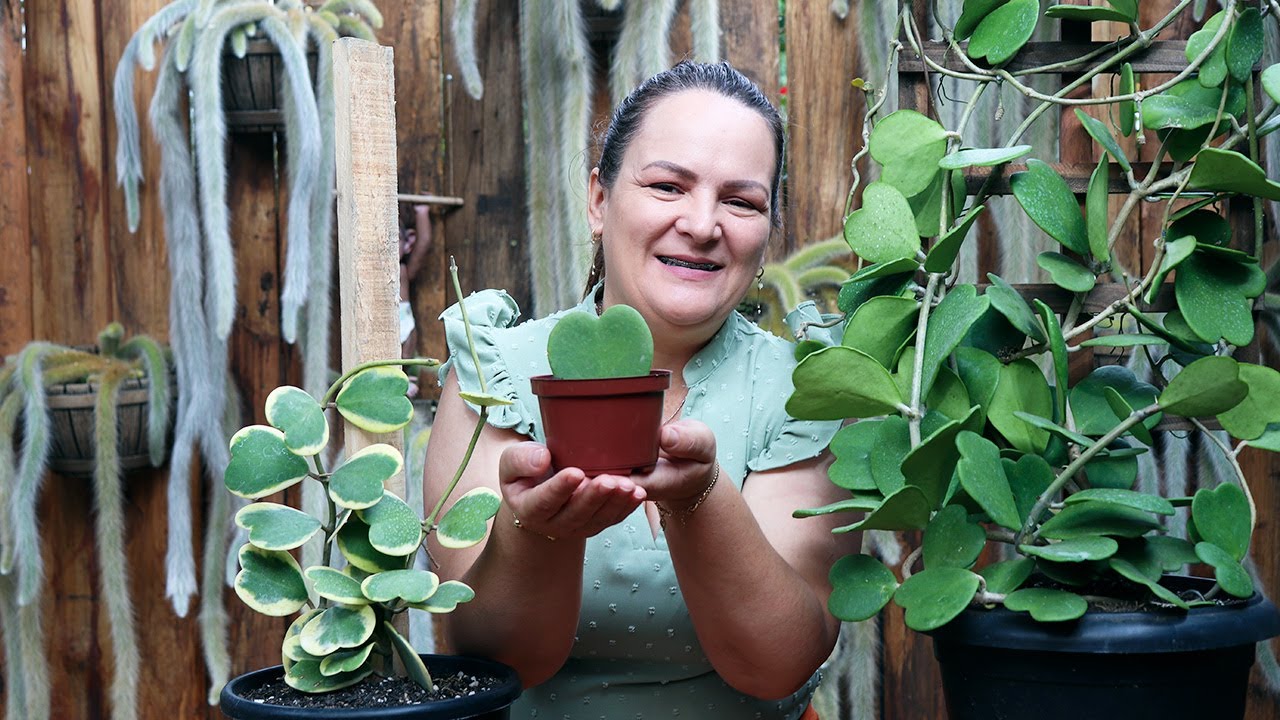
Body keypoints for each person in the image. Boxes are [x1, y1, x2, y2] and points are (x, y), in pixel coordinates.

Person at [423, 60, 858, 720]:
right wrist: (536, 535)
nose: (704, 223)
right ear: (599, 200)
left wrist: (701, 501)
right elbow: (495, 661)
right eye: (667, 186)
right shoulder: (497, 376)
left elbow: (778, 663)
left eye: (741, 201)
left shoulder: (809, 392)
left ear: (767, 231)